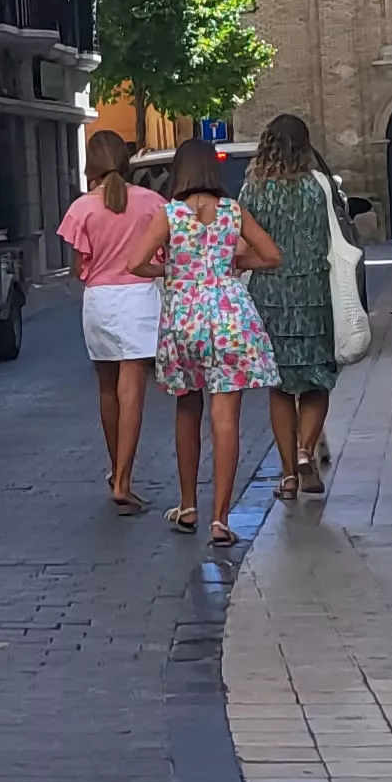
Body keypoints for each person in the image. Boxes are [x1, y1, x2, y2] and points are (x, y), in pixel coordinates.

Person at [132, 138, 280, 547]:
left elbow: (135, 262)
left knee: (187, 405)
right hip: (230, 312)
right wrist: (230, 263)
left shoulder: (171, 213)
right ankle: (220, 519)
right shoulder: (233, 211)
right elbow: (271, 256)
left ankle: (188, 503)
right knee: (226, 416)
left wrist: (172, 270)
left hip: (185, 315)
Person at [60, 129, 167, 515]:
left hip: (100, 302)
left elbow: (79, 268)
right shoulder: (153, 203)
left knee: (107, 389)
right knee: (132, 392)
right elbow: (164, 254)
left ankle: (116, 470)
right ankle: (123, 478)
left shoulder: (81, 209)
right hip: (139, 299)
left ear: (92, 164)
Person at [242, 116, 344, 501]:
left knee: (280, 387)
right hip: (314, 290)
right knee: (317, 378)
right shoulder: (319, 186)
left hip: (270, 295)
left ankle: (287, 476)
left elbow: (243, 245)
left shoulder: (252, 191)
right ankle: (306, 451)